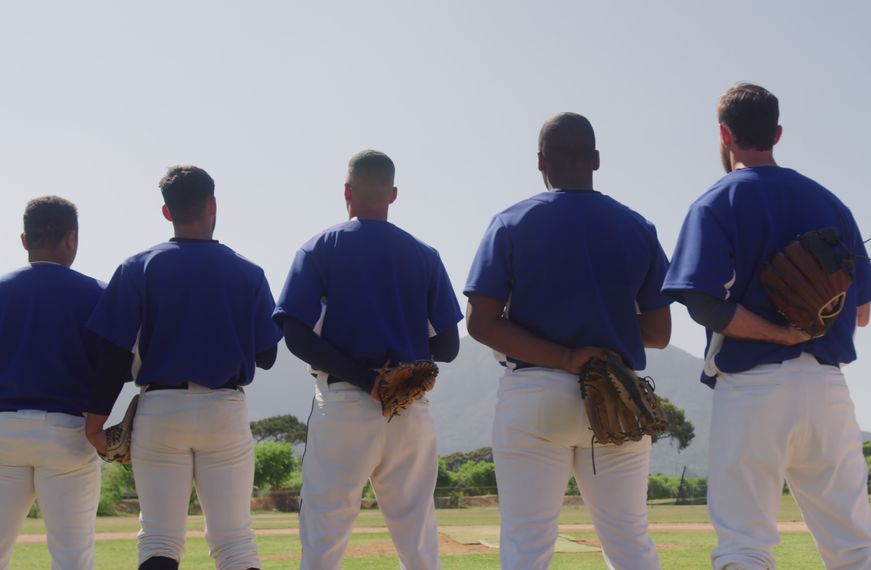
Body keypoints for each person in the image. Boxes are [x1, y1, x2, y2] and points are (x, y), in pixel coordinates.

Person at [662, 83, 871, 570]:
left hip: (753, 385)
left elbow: (703, 303)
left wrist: (777, 333)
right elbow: (863, 311)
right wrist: (812, 321)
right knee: (856, 545)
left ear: (724, 134)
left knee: (745, 544)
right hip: (829, 390)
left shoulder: (715, 202)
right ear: (778, 133)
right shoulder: (829, 203)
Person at [464, 112, 671, 570]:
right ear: (596, 160)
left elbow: (480, 323)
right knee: (631, 543)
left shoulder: (511, 222)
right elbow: (659, 334)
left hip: (536, 393)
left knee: (526, 545)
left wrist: (568, 356)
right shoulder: (638, 228)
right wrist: (605, 332)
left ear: (541, 163)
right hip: (619, 391)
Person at [84, 166, 281, 570]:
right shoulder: (248, 272)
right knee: (235, 541)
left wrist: (95, 421)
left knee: (158, 537)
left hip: (160, 408)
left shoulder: (138, 267)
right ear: (212, 206)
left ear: (166, 211)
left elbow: (113, 357)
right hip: (224, 407)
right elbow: (268, 355)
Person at [274, 150, 462, 570]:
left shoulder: (320, 247)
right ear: (393, 194)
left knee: (324, 535)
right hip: (409, 407)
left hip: (343, 404)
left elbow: (295, 335)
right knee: (417, 542)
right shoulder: (424, 255)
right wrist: (400, 368)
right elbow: (448, 346)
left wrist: (364, 377)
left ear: (346, 192)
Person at [0, 197, 103, 570]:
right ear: (71, 239)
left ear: (24, 240)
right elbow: (116, 366)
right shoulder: (97, 293)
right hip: (66, 431)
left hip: (3, 430)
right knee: (72, 558)